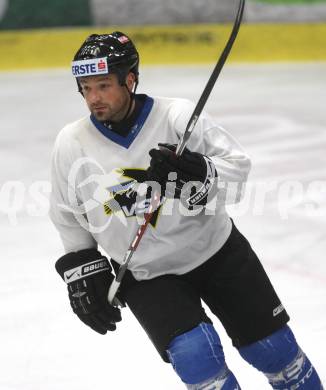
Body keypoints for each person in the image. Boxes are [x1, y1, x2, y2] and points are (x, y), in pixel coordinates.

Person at [50, 31, 323, 389]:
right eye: (86, 88)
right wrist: (82, 266)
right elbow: (68, 214)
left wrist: (201, 173)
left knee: (274, 352)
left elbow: (237, 172)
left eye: (104, 86)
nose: (94, 99)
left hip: (216, 252)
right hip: (146, 274)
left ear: (130, 80)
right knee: (198, 360)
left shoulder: (177, 117)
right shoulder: (71, 142)